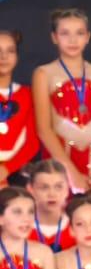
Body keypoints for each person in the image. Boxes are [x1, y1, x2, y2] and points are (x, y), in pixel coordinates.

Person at [32, 8, 91, 191]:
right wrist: (70, 172)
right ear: (54, 37)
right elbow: (43, 129)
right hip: (59, 157)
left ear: (88, 37)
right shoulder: (44, 73)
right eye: (65, 33)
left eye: (79, 33)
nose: (72, 40)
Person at [0, 28, 41, 186]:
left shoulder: (27, 94)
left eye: (10, 51)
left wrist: (7, 169)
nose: (3, 57)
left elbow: (32, 142)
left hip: (15, 175)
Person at [25, 159, 75, 252]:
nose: (52, 194)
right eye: (44, 187)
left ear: (68, 188)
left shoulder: (78, 226)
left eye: (58, 187)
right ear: (30, 189)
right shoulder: (19, 227)